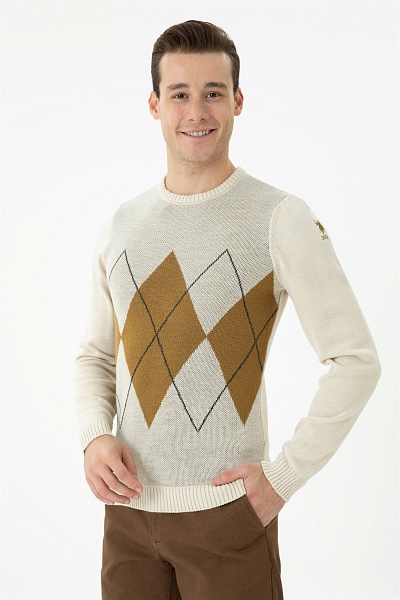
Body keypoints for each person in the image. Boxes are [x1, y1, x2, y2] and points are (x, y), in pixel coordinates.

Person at [74, 20, 381, 600]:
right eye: (179, 94)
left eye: (213, 92)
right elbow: (95, 356)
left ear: (238, 100)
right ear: (154, 105)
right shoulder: (123, 225)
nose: (197, 111)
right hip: (127, 520)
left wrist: (283, 478)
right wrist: (94, 437)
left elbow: (355, 360)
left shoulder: (278, 218)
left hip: (228, 520)